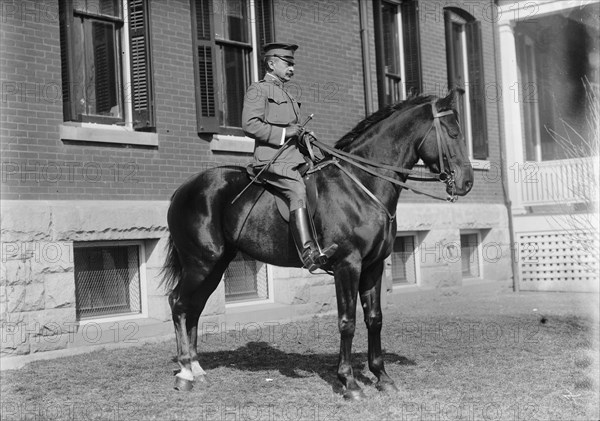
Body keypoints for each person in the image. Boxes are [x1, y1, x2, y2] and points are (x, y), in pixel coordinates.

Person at [241, 43, 337, 272]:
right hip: (272, 159)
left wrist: (303, 135)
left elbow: (293, 129)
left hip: (294, 157)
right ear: (271, 63)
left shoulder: (287, 94)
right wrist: (285, 132)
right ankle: (308, 254)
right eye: (287, 63)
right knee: (296, 190)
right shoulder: (258, 90)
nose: (292, 68)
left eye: (293, 63)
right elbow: (249, 124)